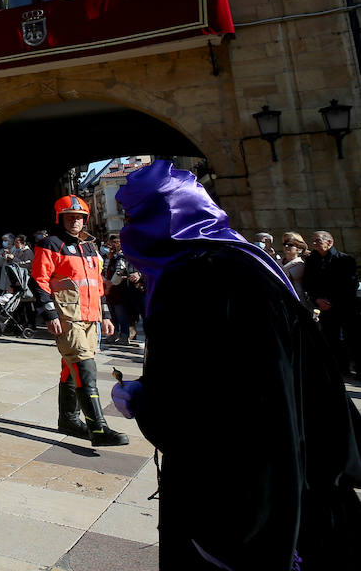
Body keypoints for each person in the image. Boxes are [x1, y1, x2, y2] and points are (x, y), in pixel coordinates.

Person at [111, 160, 361, 569]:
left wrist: (144, 400)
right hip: (306, 466)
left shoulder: (192, 279)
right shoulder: (249, 262)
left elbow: (193, 406)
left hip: (237, 498)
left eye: (133, 217)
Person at [31, 195, 127, 447]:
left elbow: (96, 285)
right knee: (86, 368)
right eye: (70, 217)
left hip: (90, 317)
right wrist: (50, 314)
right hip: (68, 316)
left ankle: (69, 419)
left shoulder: (90, 247)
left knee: (70, 368)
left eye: (80, 217)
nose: (75, 221)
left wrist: (105, 315)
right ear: (60, 218)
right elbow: (39, 280)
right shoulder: (50, 244)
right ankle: (98, 429)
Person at [302, 230, 360, 378]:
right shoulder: (311, 261)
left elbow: (350, 284)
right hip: (324, 307)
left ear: (330, 242)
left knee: (353, 338)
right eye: (313, 241)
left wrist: (333, 301)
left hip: (345, 306)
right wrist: (317, 300)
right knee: (331, 339)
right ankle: (340, 369)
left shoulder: (345, 260)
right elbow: (308, 284)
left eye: (318, 241)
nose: (314, 244)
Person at [278, 231, 308, 299]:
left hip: (296, 299)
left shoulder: (300, 264)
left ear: (299, 248)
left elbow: (284, 276)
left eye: (290, 244)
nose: (286, 246)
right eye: (284, 243)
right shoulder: (278, 262)